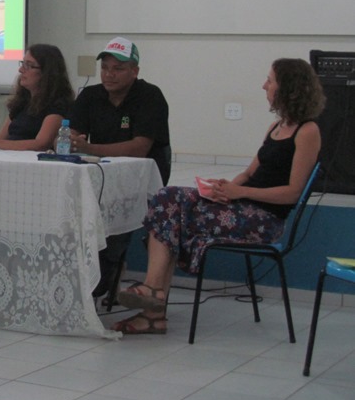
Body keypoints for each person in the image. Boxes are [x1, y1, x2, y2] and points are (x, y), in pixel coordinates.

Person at [114, 58, 324, 335]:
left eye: (270, 80)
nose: (264, 86)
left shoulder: (307, 131)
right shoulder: (275, 128)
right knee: (167, 197)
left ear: (289, 88)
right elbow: (249, 173)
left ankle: (153, 303)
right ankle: (153, 301)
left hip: (265, 219)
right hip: (243, 205)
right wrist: (224, 190)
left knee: (172, 214)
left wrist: (241, 192)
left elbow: (292, 193)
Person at [67, 36, 171, 299]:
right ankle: (75, 271)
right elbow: (73, 137)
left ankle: (107, 269)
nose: (109, 75)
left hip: (141, 175)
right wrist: (74, 142)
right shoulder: (90, 95)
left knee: (114, 207)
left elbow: (139, 148)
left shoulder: (150, 96)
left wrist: (90, 149)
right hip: (101, 171)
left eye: (118, 69)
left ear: (134, 72)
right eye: (105, 68)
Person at [0, 44, 74, 151]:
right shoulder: (22, 101)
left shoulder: (58, 104)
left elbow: (41, 144)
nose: (21, 70)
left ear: (47, 72)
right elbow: (0, 140)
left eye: (29, 65)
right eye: (23, 63)